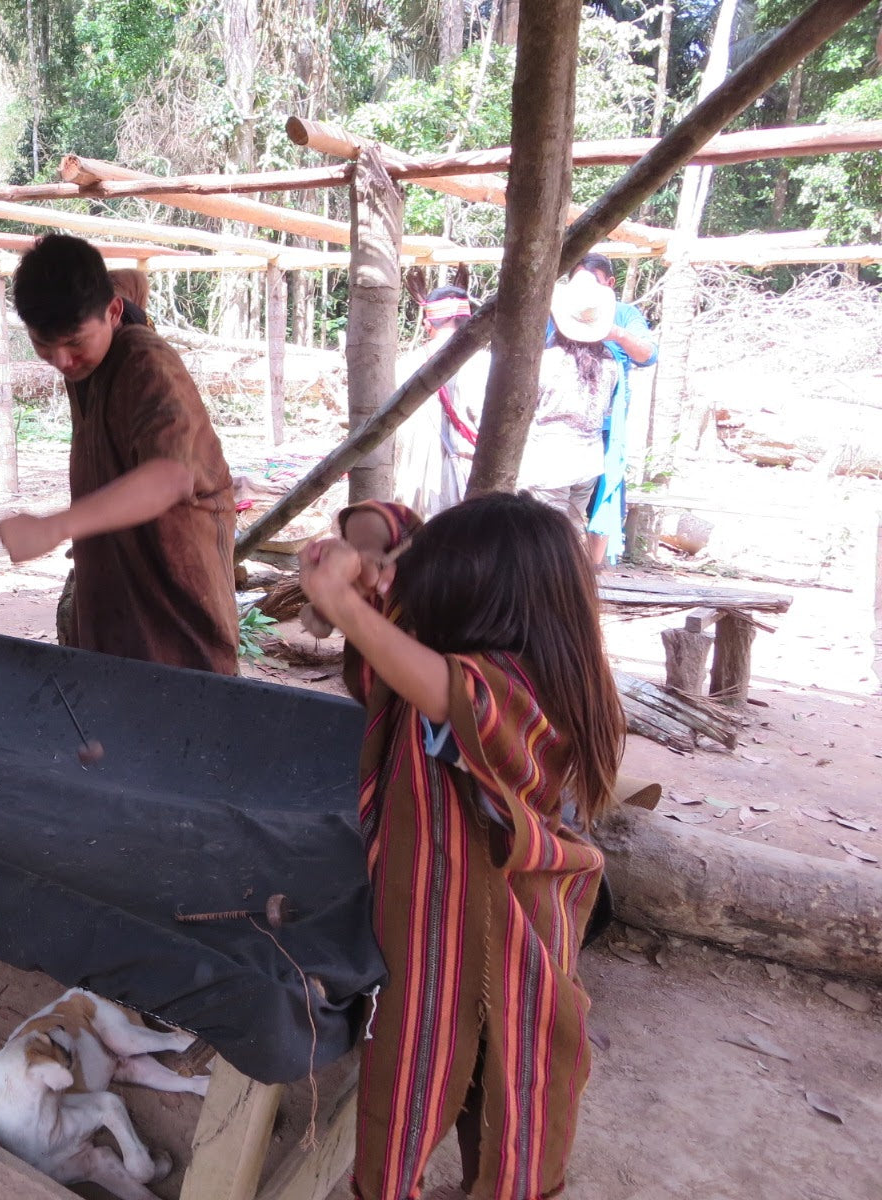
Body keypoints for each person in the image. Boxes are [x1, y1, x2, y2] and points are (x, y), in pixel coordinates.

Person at [298, 490, 624, 1200]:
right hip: (432, 931)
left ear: (478, 598)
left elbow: (454, 696)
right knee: (414, 1077)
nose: (404, 593)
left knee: (513, 1083)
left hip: (511, 931)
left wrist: (345, 604)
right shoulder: (439, 658)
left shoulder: (524, 690)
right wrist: (364, 548)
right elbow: (391, 524)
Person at [0, 235, 238, 674]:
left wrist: (54, 527)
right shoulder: (94, 312)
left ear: (111, 313)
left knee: (180, 683)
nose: (62, 361)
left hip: (174, 567)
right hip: (109, 556)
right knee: (107, 671)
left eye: (74, 343)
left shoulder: (150, 365)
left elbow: (169, 478)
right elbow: (130, 281)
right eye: (43, 344)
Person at [562, 253, 657, 564]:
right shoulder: (561, 313)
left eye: (593, 283)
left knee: (604, 499)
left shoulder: (625, 315)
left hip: (606, 429)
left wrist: (615, 333)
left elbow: (648, 355)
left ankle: (592, 571)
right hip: (561, 428)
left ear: (610, 284)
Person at [520, 275, 621, 559]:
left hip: (548, 459)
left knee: (541, 534)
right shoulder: (610, 363)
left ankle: (543, 583)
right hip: (588, 459)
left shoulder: (548, 361)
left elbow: (526, 407)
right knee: (573, 531)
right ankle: (571, 580)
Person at [392, 286, 492, 514]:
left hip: (412, 479)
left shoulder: (404, 365)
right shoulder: (485, 364)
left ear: (428, 324)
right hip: (467, 473)